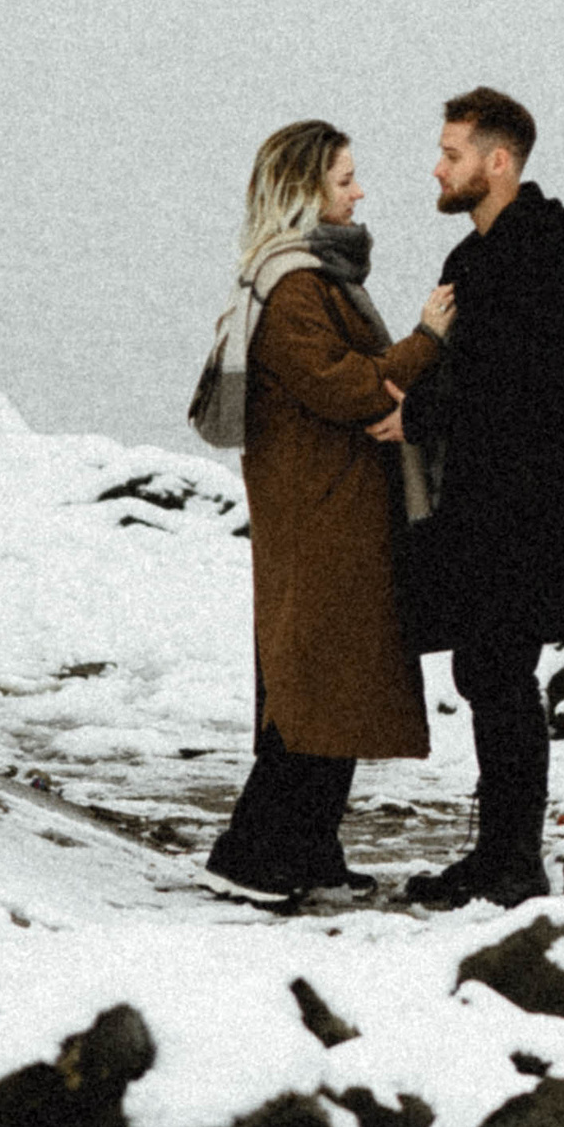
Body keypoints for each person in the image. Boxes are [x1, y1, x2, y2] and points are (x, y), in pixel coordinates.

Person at [202, 120, 455, 906]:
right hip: (322, 515)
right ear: (306, 190)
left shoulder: (308, 277)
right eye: (345, 179)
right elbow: (346, 387)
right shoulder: (297, 287)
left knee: (328, 686)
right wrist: (424, 341)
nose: (360, 190)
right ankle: (254, 854)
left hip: (327, 507)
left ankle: (308, 849)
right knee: (313, 690)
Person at [386, 86, 564, 909]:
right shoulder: (482, 260)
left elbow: (515, 387)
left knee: (504, 676)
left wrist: (418, 411)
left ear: (498, 162)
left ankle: (513, 862)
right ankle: (500, 855)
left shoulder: (535, 261)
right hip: (489, 503)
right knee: (491, 673)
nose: (438, 167)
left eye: (452, 153)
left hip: (527, 506)